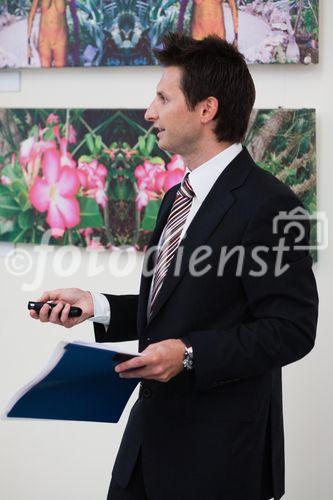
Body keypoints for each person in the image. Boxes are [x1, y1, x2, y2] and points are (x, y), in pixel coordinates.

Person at [30, 34, 318, 500]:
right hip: (146, 450)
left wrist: (187, 355)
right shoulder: (176, 197)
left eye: (163, 98)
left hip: (219, 464)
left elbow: (292, 329)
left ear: (206, 109)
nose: (149, 112)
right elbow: (177, 306)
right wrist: (96, 306)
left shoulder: (270, 205)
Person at [27, 0, 68, 67]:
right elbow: (31, 15)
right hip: (44, 40)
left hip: (60, 40)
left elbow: (72, 14)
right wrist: (29, 43)